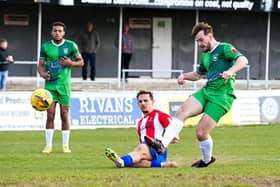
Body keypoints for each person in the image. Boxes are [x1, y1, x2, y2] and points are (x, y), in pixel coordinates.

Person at [145, 22, 249, 168]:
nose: (199, 44)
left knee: (201, 132)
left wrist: (231, 71)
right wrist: (184, 76)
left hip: (222, 96)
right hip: (207, 91)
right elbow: (198, 74)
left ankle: (206, 160)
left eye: (201, 40)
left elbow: (243, 60)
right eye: (197, 41)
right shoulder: (205, 55)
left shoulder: (224, 48)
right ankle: (162, 143)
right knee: (181, 111)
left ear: (210, 36)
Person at [38, 21, 84, 154]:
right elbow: (40, 64)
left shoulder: (71, 45)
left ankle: (65, 146)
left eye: (60, 31)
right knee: (50, 115)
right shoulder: (45, 46)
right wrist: (42, 73)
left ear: (64, 33)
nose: (57, 33)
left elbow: (81, 62)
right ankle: (48, 146)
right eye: (55, 30)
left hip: (64, 86)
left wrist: (71, 63)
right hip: (50, 86)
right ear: (51, 32)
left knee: (64, 115)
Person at [105, 90, 178, 168]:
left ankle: (121, 160)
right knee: (133, 161)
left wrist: (159, 143)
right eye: (140, 101)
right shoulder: (140, 123)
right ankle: (163, 164)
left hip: (158, 151)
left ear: (153, 101)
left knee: (139, 150)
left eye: (145, 101)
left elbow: (175, 138)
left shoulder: (161, 116)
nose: (143, 103)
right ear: (138, 104)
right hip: (146, 151)